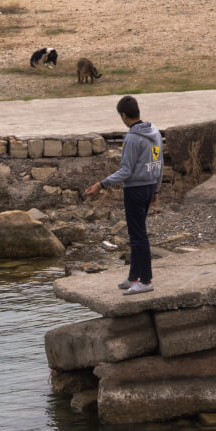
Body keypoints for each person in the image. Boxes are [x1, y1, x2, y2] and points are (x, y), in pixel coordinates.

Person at [84, 95, 163, 294]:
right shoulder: (154, 133)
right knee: (136, 234)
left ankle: (145, 281)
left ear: (124, 115)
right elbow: (158, 164)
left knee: (138, 237)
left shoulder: (132, 138)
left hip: (135, 190)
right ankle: (133, 277)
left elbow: (126, 171)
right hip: (148, 187)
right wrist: (156, 190)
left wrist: (101, 184)